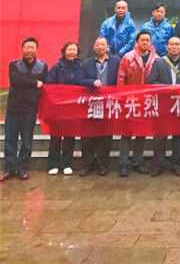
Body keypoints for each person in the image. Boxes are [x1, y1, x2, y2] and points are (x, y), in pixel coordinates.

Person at [1, 38, 48, 182]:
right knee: (10, 140)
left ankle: (22, 168)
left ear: (36, 49)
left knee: (27, 141)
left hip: (30, 109)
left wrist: (36, 86)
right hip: (13, 109)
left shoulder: (42, 66)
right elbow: (16, 81)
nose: (29, 50)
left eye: (32, 47)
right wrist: (34, 83)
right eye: (27, 47)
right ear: (22, 49)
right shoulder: (14, 65)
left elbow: (44, 85)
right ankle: (9, 168)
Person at [148, 35, 180, 176]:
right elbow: (151, 81)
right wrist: (166, 88)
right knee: (160, 136)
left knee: (178, 136)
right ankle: (158, 164)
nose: (174, 47)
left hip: (179, 104)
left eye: (177, 44)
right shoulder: (159, 62)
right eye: (171, 44)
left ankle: (177, 164)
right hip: (163, 104)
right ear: (167, 46)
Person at [117, 30, 159, 176]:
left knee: (142, 132)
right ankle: (123, 163)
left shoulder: (157, 59)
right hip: (130, 100)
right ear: (137, 42)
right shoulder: (127, 57)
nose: (145, 42)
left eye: (147, 40)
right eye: (142, 40)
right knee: (126, 132)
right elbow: (121, 78)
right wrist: (121, 97)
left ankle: (137, 161)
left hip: (147, 101)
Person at [47, 41, 89, 176]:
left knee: (70, 136)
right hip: (58, 107)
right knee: (56, 136)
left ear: (77, 52)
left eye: (74, 49)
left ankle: (66, 164)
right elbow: (49, 84)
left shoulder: (82, 67)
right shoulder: (57, 67)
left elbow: (84, 82)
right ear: (64, 51)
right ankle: (53, 164)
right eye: (69, 49)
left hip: (74, 107)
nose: (71, 52)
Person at [80, 37, 120, 176]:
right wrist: (91, 82)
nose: (100, 47)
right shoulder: (86, 63)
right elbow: (79, 80)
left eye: (103, 44)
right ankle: (87, 164)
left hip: (109, 103)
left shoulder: (116, 61)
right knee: (87, 136)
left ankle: (103, 164)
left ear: (107, 47)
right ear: (93, 47)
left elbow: (121, 79)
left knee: (106, 135)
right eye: (97, 45)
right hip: (91, 102)